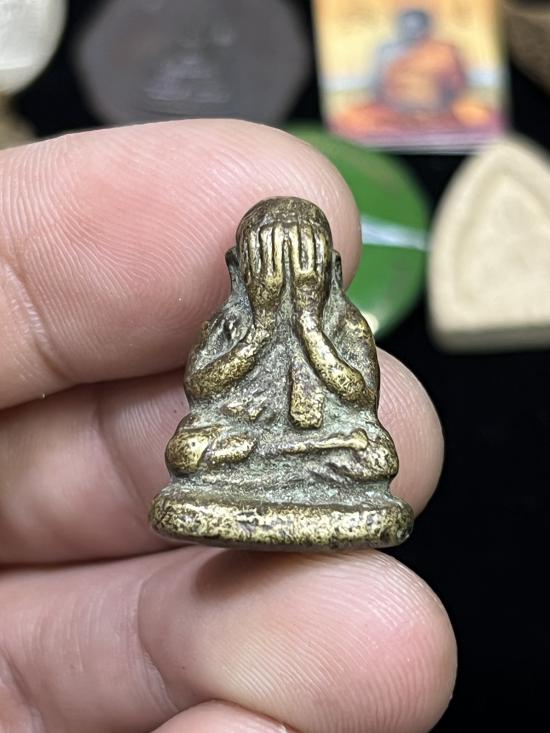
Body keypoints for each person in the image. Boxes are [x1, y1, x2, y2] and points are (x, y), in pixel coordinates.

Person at [0, 119, 455, 732]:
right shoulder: (232, 321)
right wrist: (261, 332)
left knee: (372, 453)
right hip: (241, 442)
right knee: (193, 449)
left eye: (303, 268)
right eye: (268, 269)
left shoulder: (344, 324)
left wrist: (312, 332)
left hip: (323, 446)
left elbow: (355, 394)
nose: (286, 282)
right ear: (238, 268)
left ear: (330, 268)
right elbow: (206, 388)